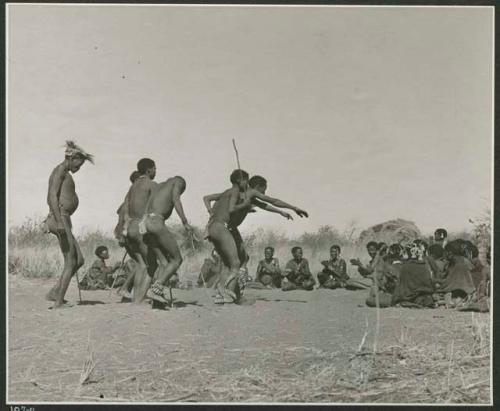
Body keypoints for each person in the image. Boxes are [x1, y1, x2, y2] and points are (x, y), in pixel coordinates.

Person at [203, 171, 308, 304]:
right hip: (223, 228)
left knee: (239, 259)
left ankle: (230, 293)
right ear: (257, 187)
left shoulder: (234, 193)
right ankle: (226, 292)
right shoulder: (249, 193)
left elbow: (265, 205)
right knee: (235, 263)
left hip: (218, 228)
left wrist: (281, 211)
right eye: (263, 191)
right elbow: (272, 200)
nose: (263, 194)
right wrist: (293, 207)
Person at [44, 141, 93, 309]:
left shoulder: (64, 172)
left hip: (64, 219)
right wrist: (58, 221)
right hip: (60, 219)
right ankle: (58, 303)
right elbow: (51, 196)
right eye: (79, 164)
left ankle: (55, 292)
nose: (79, 168)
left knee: (79, 260)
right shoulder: (60, 171)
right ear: (73, 158)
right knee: (70, 261)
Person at [141, 175, 194, 304]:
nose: (180, 192)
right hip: (156, 221)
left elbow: (146, 208)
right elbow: (176, 200)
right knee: (177, 259)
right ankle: (156, 289)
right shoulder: (178, 181)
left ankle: (157, 299)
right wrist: (185, 222)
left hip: (146, 223)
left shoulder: (158, 186)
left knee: (164, 263)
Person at [120, 158, 159, 302]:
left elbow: (125, 208)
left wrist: (125, 227)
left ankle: (136, 298)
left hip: (130, 227)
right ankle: (139, 299)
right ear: (149, 170)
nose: (156, 171)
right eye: (155, 169)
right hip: (141, 228)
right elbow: (156, 208)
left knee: (141, 264)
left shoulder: (133, 186)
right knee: (152, 265)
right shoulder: (152, 184)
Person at [391, 241, 436, 308]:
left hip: (407, 297)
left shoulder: (405, 266)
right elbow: (429, 285)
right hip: (423, 296)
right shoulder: (424, 266)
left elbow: (401, 286)